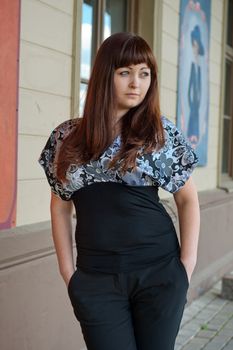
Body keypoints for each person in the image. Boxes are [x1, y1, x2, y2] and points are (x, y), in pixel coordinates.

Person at [38, 32, 200, 350]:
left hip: (160, 273)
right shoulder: (66, 138)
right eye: (125, 72)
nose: (135, 83)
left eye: (144, 73)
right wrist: (68, 273)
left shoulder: (160, 134)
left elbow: (187, 199)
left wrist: (186, 267)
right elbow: (59, 206)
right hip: (96, 280)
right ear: (104, 75)